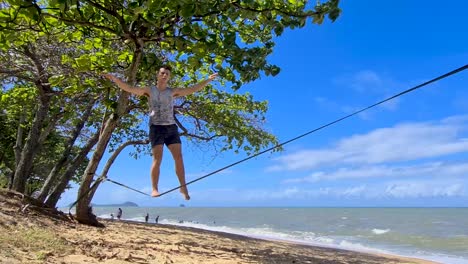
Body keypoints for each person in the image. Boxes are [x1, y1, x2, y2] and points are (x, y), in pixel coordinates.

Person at [103, 66, 217, 200]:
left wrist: (207, 80)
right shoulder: (149, 90)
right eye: (162, 73)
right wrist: (115, 79)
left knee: (179, 157)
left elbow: (191, 89)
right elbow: (130, 88)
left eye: (167, 74)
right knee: (157, 159)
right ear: (158, 74)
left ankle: (183, 186)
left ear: (169, 77)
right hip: (156, 128)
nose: (164, 75)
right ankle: (155, 188)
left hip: (171, 127)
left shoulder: (172, 91)